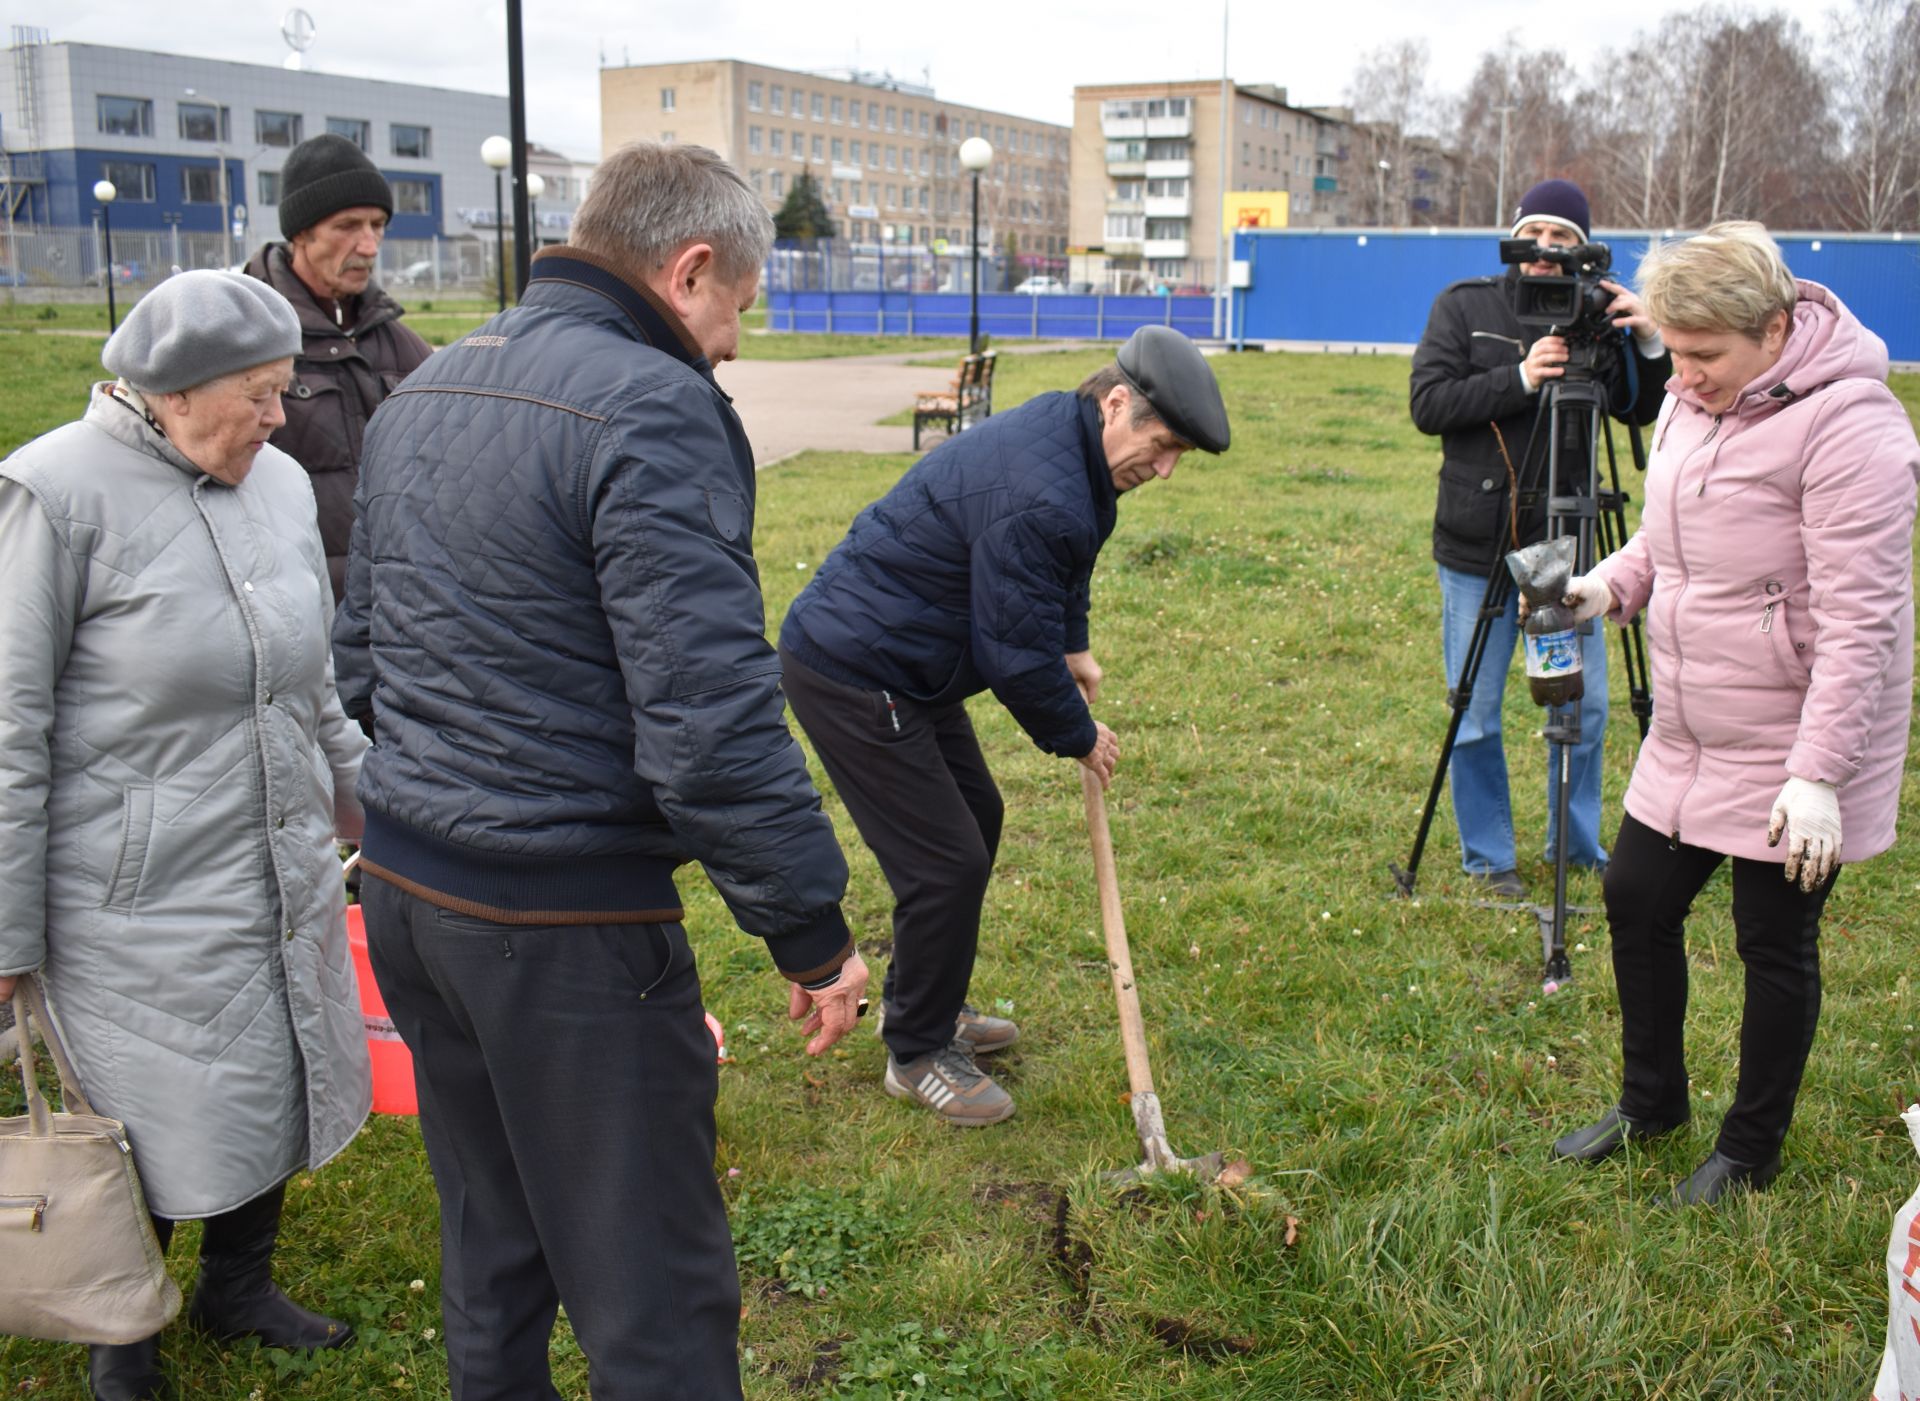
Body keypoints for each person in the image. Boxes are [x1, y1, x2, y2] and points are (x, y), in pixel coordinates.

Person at [333, 142, 868, 1399]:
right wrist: (810, 933)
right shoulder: (656, 406)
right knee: (656, 1297)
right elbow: (711, 719)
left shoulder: (427, 385)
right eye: (739, 307)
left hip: (410, 891)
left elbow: (360, 657)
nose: (736, 342)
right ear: (688, 272)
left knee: (493, 1247)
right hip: (560, 918)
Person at [0, 271, 372, 1400]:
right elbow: (8, 724)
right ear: (174, 390)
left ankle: (238, 1286)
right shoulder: (52, 492)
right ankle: (125, 1343)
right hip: (130, 888)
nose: (278, 416)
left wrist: (378, 813)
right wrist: (8, 932)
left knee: (280, 1070)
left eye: (284, 391)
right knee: (151, 1124)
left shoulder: (281, 488)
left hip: (275, 853)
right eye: (258, 395)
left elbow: (313, 689)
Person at [1547, 222, 1918, 1204]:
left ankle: (1748, 1153)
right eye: (1674, 350)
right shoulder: (1689, 399)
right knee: (1635, 896)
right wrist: (1607, 585)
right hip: (1695, 723)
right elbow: (1672, 540)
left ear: (1774, 327)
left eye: (1706, 355)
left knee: (1771, 938)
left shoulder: (1855, 428)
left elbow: (1861, 623)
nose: (1684, 375)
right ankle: (1649, 1105)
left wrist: (1817, 776)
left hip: (1800, 740)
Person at [778, 325, 1230, 1126]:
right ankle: (916, 1050)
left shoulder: (1076, 445)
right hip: (855, 668)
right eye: (1161, 445)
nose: (1162, 469)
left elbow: (1069, 561)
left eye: (1178, 457)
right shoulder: (1043, 488)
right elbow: (1015, 656)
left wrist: (1075, 643)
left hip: (910, 661)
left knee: (974, 820)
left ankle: (929, 1000)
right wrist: (1079, 733)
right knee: (944, 859)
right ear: (1118, 402)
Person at [1409, 178, 1671, 897]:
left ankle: (1577, 847)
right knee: (1476, 709)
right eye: (1538, 235)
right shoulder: (1465, 305)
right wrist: (1520, 377)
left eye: (1565, 239)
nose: (1548, 252)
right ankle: (1489, 858)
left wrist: (1647, 339)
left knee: (1584, 707)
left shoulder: (1598, 315)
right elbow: (1427, 403)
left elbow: (1638, 407)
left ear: (1583, 249)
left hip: (1568, 544)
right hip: (1478, 542)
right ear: (1516, 236)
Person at [244, 131, 432, 606]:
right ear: (300, 232)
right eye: (348, 225)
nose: (369, 246)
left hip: (396, 609)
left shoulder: (404, 347)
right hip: (290, 608)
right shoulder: (242, 337)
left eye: (378, 225)